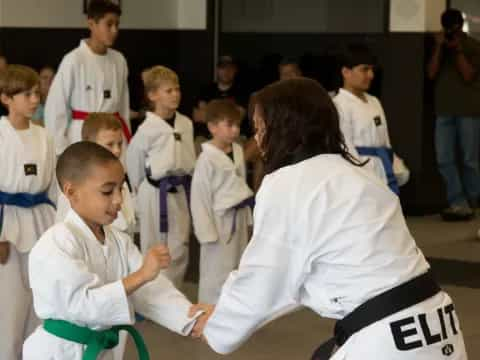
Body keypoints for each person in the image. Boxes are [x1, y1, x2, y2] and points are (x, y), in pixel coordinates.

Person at [190, 78, 467, 360]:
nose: (258, 140)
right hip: (437, 325)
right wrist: (224, 311)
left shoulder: (287, 184)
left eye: (262, 129)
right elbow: (303, 277)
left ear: (286, 130)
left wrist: (217, 327)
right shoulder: (360, 175)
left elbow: (264, 275)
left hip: (387, 341)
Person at [23, 142, 204, 360]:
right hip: (58, 353)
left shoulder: (118, 240)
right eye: (107, 191)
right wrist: (141, 275)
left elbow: (150, 290)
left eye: (121, 188)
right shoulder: (56, 243)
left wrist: (191, 319)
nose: (119, 200)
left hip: (101, 350)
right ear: (71, 192)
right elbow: (84, 305)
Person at [0, 65, 57, 360]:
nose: (35, 99)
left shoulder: (44, 135)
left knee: (40, 301)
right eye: (27, 94)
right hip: (7, 224)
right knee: (9, 305)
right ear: (6, 98)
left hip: (40, 220)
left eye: (37, 93)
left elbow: (53, 188)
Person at [127, 65, 195, 289]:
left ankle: (174, 291)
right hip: (154, 191)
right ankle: (151, 294)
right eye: (168, 90)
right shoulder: (147, 128)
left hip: (180, 189)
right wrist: (140, 189)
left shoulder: (185, 123)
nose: (175, 94)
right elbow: (134, 161)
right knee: (154, 243)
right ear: (153, 95)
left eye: (177, 89)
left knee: (180, 243)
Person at [44, 0, 131, 157]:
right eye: (109, 24)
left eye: (117, 25)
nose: (114, 30)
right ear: (91, 24)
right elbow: (55, 108)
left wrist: (125, 142)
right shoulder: (73, 59)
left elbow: (123, 107)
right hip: (82, 134)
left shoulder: (119, 60)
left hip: (113, 136)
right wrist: (61, 149)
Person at [191, 99, 253, 304]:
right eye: (229, 125)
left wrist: (249, 220)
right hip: (218, 222)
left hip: (239, 217)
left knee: (238, 265)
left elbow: (243, 184)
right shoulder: (205, 159)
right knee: (216, 269)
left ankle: (232, 307)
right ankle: (209, 309)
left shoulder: (237, 150)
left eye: (237, 125)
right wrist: (205, 231)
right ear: (212, 127)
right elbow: (199, 198)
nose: (235, 130)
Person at [334, 43, 409, 195]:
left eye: (372, 70)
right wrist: (362, 176)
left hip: (382, 169)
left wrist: (395, 166)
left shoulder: (374, 101)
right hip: (359, 175)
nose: (371, 75)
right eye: (364, 69)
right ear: (346, 72)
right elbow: (345, 147)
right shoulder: (339, 104)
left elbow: (385, 142)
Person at [427, 8, 480, 221]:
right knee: (444, 159)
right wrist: (439, 48)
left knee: (469, 159)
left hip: (469, 110)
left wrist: (457, 50)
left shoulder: (473, 46)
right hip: (444, 110)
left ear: (460, 26)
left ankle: (473, 200)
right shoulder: (439, 46)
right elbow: (431, 73)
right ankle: (457, 201)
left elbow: (468, 75)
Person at [55, 112, 136, 236]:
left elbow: (129, 223)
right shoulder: (76, 187)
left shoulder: (121, 183)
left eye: (120, 144)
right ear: (89, 144)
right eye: (110, 144)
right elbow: (65, 232)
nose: (117, 150)